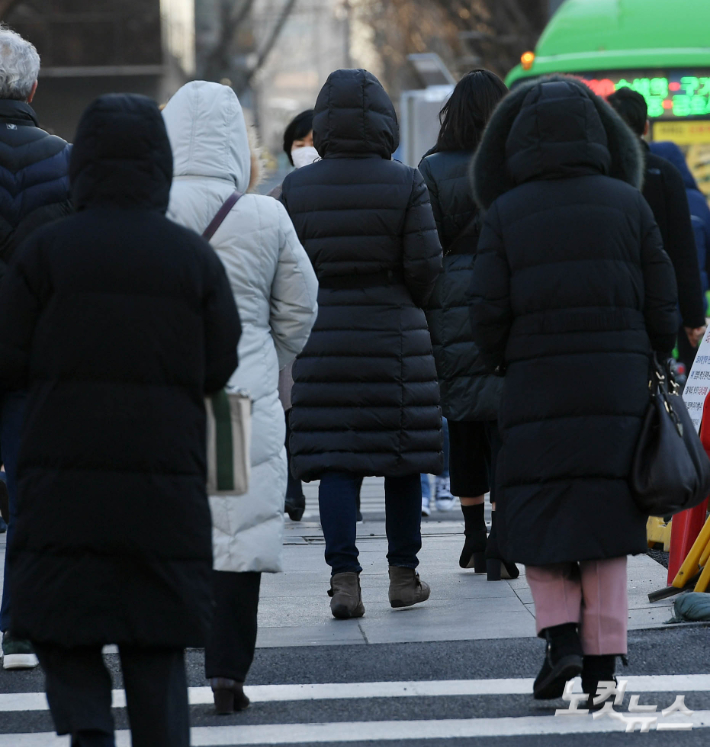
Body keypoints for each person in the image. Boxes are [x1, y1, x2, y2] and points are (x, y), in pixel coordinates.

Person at [0, 93, 241, 746]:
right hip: (162, 482)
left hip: (61, 476)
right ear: (159, 165)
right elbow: (220, 363)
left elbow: (7, 357)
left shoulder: (43, 253)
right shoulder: (191, 258)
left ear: (83, 166)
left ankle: (87, 729)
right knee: (154, 639)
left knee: (63, 620)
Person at [470, 77, 678, 701]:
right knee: (609, 519)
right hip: (616, 384)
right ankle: (604, 664)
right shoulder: (627, 203)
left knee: (541, 506)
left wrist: (503, 360)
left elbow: (486, 311)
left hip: (536, 382)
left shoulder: (506, 212)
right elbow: (662, 299)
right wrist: (654, 353)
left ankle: (560, 641)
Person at [162, 81, 318, 715]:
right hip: (234, 394)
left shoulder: (150, 209)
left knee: (168, 525)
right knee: (233, 526)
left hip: (163, 395)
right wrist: (275, 361)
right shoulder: (262, 214)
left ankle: (166, 660)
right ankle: (228, 671)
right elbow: (301, 306)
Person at [281, 69, 443, 620]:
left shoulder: (296, 188)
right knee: (401, 458)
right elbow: (426, 268)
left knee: (336, 460)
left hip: (323, 334)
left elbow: (289, 273)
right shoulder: (405, 182)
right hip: (394, 334)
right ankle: (404, 576)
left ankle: (344, 582)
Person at [419, 69, 516, 580]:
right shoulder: (514, 164)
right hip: (506, 292)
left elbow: (425, 244)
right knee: (504, 420)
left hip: (451, 300)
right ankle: (503, 541)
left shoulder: (431, 168)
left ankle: (474, 535)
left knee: (462, 418)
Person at [0, 25, 71, 671]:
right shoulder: (67, 159)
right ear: (34, 87)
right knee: (29, 490)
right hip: (37, 354)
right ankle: (18, 626)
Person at [608, 88, 706, 369]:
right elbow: (683, 252)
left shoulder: (600, 176)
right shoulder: (665, 173)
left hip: (612, 306)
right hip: (660, 307)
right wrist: (693, 319)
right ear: (646, 127)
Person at [650, 139, 710, 368]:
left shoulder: (649, 196)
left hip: (659, 299)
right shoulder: (697, 200)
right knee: (693, 363)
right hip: (694, 297)